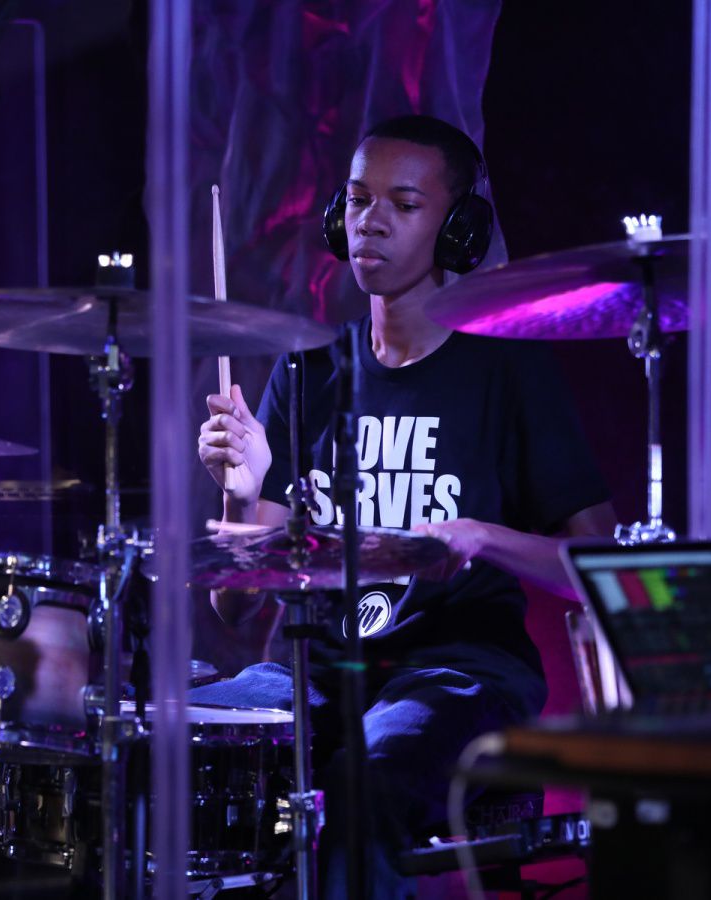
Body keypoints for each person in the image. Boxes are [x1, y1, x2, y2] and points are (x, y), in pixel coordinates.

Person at [193, 114, 617, 896]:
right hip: (318, 672)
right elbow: (232, 606)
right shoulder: (309, 372)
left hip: (461, 671)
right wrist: (243, 493)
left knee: (368, 776)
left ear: (458, 230)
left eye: (404, 203)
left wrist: (483, 536)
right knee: (175, 738)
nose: (371, 221)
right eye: (357, 200)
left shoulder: (506, 369)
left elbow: (600, 567)